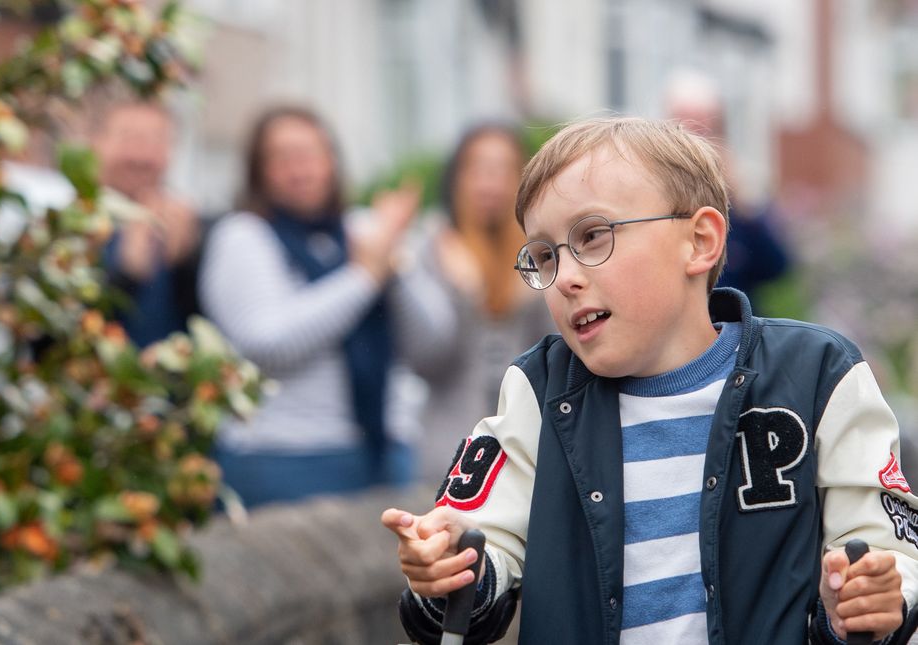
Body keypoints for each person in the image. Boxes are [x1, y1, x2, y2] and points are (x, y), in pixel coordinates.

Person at [382, 116, 918, 644]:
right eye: (544, 255)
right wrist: (449, 565)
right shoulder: (536, 390)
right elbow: (478, 544)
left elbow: (889, 551)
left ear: (700, 241)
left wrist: (867, 597)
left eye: (593, 236)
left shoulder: (819, 374)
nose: (565, 277)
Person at [198, 106, 456, 507]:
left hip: (382, 453)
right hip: (282, 459)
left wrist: (392, 264)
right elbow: (267, 341)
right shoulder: (243, 236)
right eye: (282, 158)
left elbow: (435, 341)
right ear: (258, 171)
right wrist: (363, 278)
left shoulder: (363, 229)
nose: (299, 169)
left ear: (332, 161)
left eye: (311, 154)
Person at [415, 124, 555, 480]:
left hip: (528, 447)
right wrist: (466, 295)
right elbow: (427, 358)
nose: (489, 183)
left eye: (503, 169)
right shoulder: (432, 248)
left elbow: (558, 349)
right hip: (450, 448)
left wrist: (537, 286)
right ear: (456, 177)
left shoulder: (539, 247)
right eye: (477, 168)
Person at [664, 69, 791, 314]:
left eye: (702, 129)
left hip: (735, 328)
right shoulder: (654, 189)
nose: (694, 139)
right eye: (683, 126)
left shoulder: (737, 191)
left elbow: (776, 267)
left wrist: (743, 201)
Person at [93, 96, 203, 347]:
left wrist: (186, 262)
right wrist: (126, 276)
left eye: (155, 141)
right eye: (128, 138)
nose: (140, 155)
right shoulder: (66, 227)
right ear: (96, 142)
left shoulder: (190, 227)